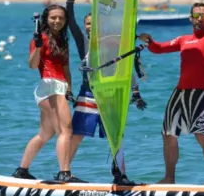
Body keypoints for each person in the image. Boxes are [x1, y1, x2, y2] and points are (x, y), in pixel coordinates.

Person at [138, 0, 204, 185]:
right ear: (190, 18)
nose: (199, 19)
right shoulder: (183, 39)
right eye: (196, 15)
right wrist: (149, 41)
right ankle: (169, 178)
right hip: (180, 92)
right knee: (168, 134)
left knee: (201, 135)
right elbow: (159, 48)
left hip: (201, 93)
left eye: (203, 16)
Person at [62, 11, 149, 185]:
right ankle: (64, 171)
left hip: (112, 95)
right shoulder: (83, 42)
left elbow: (124, 69)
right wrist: (70, 4)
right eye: (88, 23)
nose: (91, 26)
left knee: (117, 136)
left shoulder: (113, 43)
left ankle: (120, 175)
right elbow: (71, 23)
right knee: (77, 134)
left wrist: (136, 92)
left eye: (94, 23)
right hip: (89, 93)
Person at [12, 0, 81, 182]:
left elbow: (66, 68)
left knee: (45, 134)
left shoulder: (63, 41)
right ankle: (64, 173)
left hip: (58, 87)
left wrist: (69, 89)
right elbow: (33, 66)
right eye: (53, 18)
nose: (57, 21)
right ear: (46, 19)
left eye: (61, 18)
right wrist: (38, 49)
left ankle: (22, 170)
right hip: (49, 85)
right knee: (66, 131)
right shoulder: (39, 39)